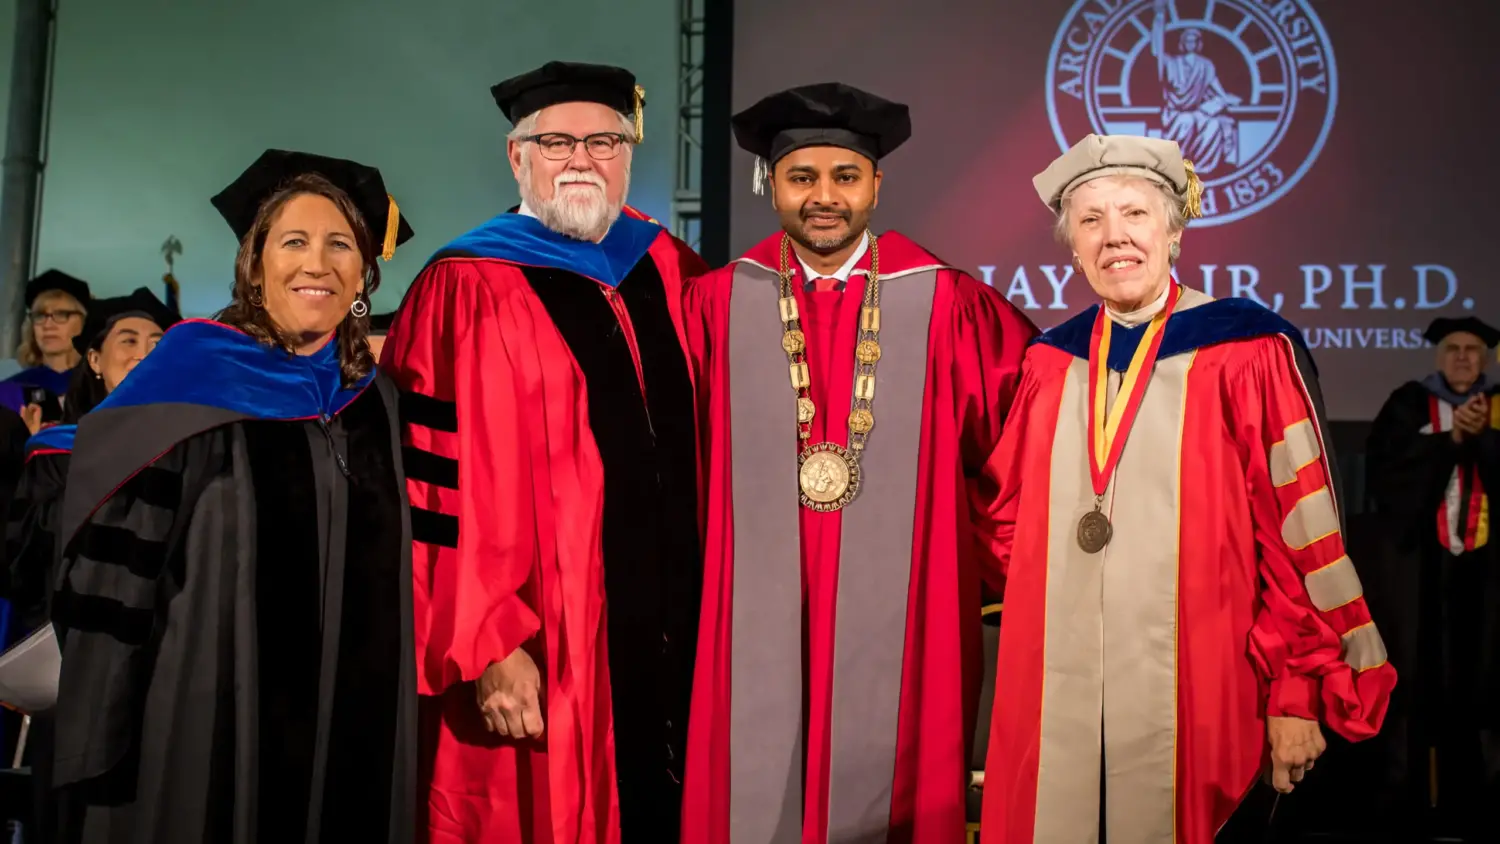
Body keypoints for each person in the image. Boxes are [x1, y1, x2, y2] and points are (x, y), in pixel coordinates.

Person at [976, 133, 1395, 843]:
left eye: (1135, 214)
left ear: (1173, 230)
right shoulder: (1050, 365)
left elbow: (1301, 541)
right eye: (1091, 221)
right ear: (1072, 248)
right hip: (1063, 702)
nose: (1115, 238)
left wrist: (1294, 692)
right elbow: (1006, 527)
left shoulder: (1249, 352)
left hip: (1204, 692)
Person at [678, 82, 1038, 844]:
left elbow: (1024, 441)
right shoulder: (713, 305)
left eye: (845, 177)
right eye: (801, 177)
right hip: (749, 615)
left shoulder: (950, 305)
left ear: (877, 184)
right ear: (769, 184)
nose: (823, 198)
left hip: (911, 625)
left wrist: (1001, 565)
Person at [47, 149, 418, 844]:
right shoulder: (188, 378)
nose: (318, 263)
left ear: (365, 274)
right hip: (200, 720)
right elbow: (109, 574)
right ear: (255, 265)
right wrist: (100, 736)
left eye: (341, 244)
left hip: (356, 724)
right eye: (294, 242)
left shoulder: (379, 405)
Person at [380, 61, 706, 843]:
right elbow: (429, 481)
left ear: (631, 154)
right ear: (515, 156)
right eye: (556, 141)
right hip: (543, 645)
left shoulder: (671, 268)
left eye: (605, 140)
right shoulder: (464, 283)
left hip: (683, 638)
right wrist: (488, 642)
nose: (582, 159)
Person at [1361, 316, 1499, 841]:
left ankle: (1483, 807)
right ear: (1438, 356)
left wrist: (1482, 440)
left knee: (1485, 685)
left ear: (1486, 359)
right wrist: (1448, 442)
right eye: (1453, 349)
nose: (1463, 358)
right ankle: (1405, 808)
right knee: (1415, 684)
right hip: (1422, 572)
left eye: (1473, 350)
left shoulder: (1498, 404)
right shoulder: (1408, 403)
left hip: (1488, 579)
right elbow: (1387, 474)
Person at [6, 270, 92, 428]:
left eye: (61, 314)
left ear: (85, 323)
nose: (48, 325)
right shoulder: (8, 392)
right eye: (40, 315)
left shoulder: (103, 387)